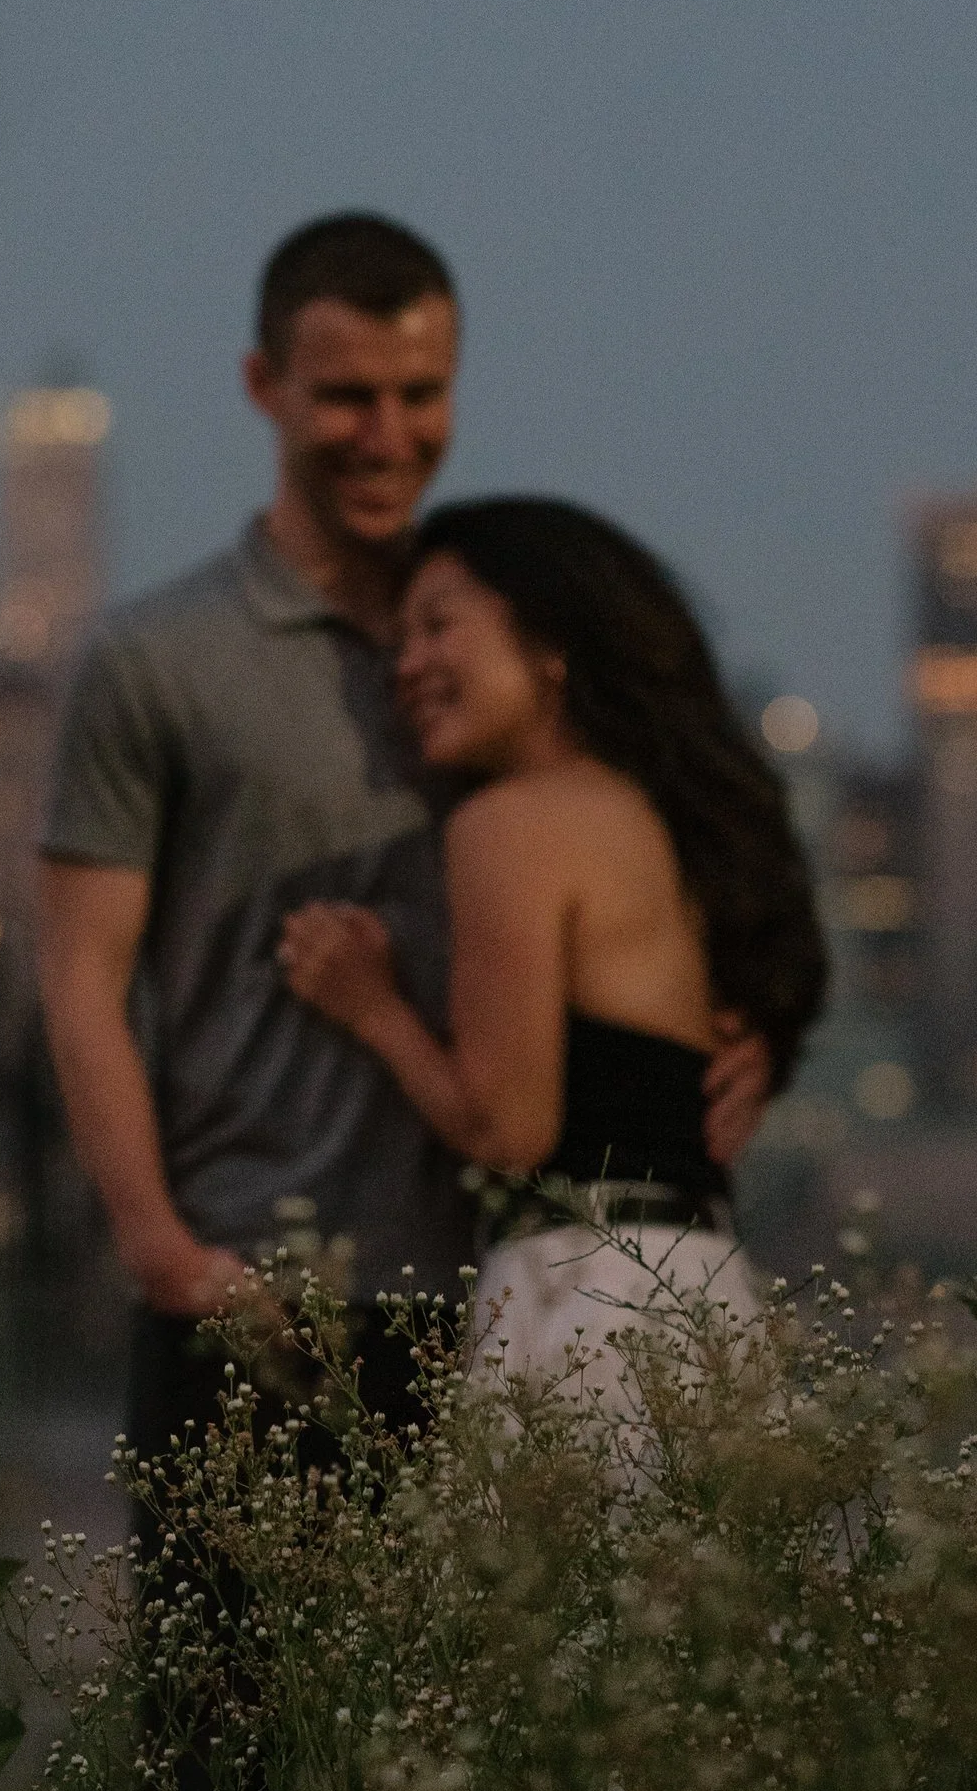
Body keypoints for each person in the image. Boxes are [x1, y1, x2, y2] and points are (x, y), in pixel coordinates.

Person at [36, 218, 774, 1791]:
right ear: (264, 388)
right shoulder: (160, 660)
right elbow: (78, 976)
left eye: (421, 393)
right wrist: (156, 1245)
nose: (386, 432)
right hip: (255, 1294)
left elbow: (691, 846)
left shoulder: (494, 639)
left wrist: (747, 1042)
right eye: (346, 394)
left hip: (500, 1324)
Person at [276, 495, 824, 1405]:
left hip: (583, 1302)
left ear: (550, 642)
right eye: (400, 641)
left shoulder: (510, 824)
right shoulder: (662, 823)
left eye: (438, 626)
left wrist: (370, 1005)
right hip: (704, 1289)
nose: (406, 667)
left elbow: (508, 1131)